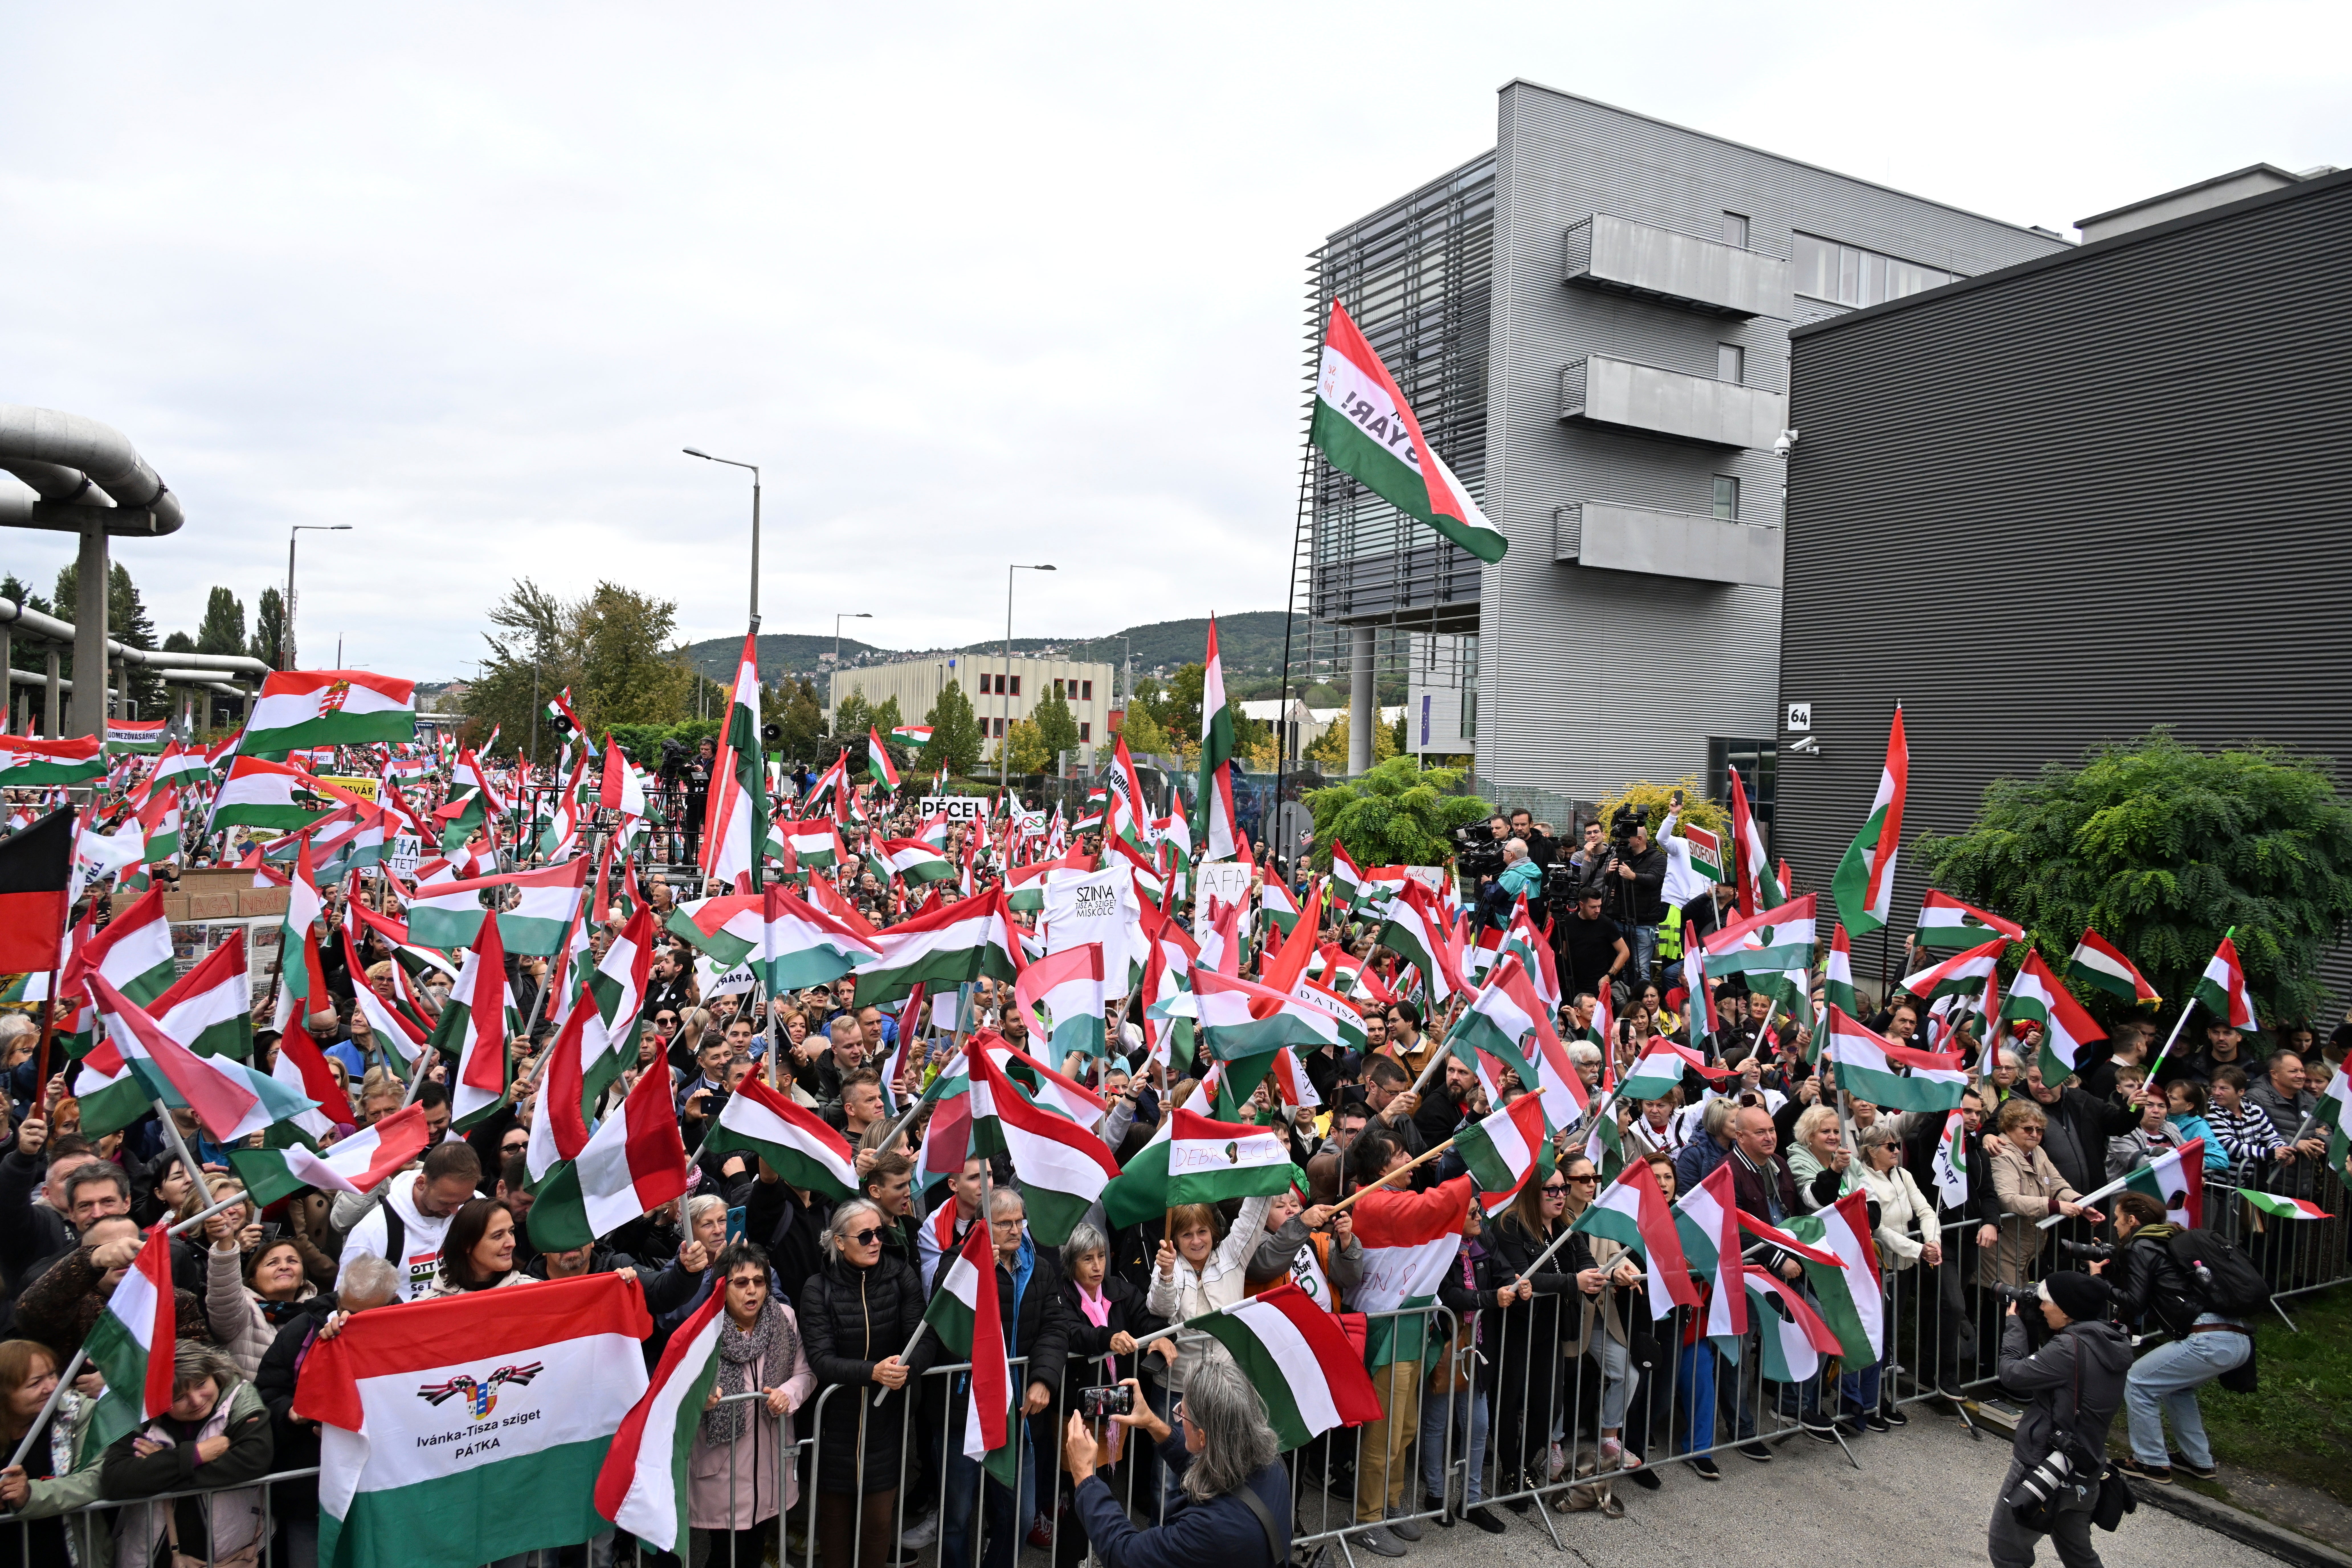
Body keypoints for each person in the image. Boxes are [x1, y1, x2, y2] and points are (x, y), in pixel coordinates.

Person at [1060, 1353, 1290, 1568]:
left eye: (1182, 1413)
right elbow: (1207, 1462)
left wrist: (1084, 1476)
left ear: (1203, 1437)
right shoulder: (1271, 1462)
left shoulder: (1209, 1529)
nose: (1179, 1418)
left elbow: (1125, 1554)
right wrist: (1152, 1422)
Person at [801, 1198, 928, 1568]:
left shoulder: (899, 1275)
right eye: (866, 1235)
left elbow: (922, 1338)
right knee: (835, 1529)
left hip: (884, 1429)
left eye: (880, 1233)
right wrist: (873, 1372)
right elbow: (821, 1360)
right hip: (834, 1432)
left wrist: (907, 1369)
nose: (876, 1241)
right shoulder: (817, 1288)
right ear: (839, 1241)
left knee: (878, 1527)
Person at [1987, 1272, 2130, 1568]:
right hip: (2085, 1469)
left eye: (2047, 1302)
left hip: (2044, 1469)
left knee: (2007, 1552)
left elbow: (2012, 1373)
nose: (2041, 1307)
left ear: (2066, 1310)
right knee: (2080, 1558)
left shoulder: (2068, 1348)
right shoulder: (2111, 1341)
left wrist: (2015, 1324)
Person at [2107, 1191, 2249, 1486]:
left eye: (2118, 1219)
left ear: (2132, 1219)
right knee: (2178, 1388)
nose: (2116, 1227)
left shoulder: (2140, 1245)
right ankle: (2198, 1460)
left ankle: (2151, 1461)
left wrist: (2098, 1283)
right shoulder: (2171, 1238)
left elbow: (2135, 1301)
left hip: (2207, 1339)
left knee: (2137, 1380)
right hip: (2237, 1337)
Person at [689, 1240, 814, 1568]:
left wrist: (789, 1392)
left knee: (756, 1547)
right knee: (726, 1553)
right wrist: (700, 1397)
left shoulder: (784, 1317)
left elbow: (805, 1372)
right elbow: (678, 1389)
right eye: (741, 1283)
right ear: (723, 1286)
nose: (752, 1291)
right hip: (723, 1467)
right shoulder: (702, 1327)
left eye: (759, 1281)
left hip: (770, 1462)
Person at [101, 1341, 276, 1568]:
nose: (196, 1401)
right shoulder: (137, 1413)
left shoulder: (239, 1396)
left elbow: (254, 1459)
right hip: (154, 1555)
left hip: (236, 1553)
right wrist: (196, 1455)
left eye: (202, 1383)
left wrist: (158, 1469)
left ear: (215, 1374)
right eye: (178, 1398)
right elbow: (116, 1480)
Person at [0, 1337, 106, 1566]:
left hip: (67, 1553)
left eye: (52, 1374)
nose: (51, 1387)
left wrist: (29, 1494)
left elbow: (96, 1479)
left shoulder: (80, 1413)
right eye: (35, 1383)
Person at [337, 1140, 483, 1302]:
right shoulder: (374, 1231)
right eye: (446, 1203)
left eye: (462, 1201)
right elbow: (346, 1302)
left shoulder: (477, 1208)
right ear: (422, 1183)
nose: (455, 1211)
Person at [424, 1198, 526, 1294]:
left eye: (511, 1232)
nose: (512, 1243)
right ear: (467, 1245)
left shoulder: (534, 1294)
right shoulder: (427, 1307)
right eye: (498, 1236)